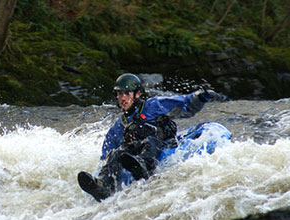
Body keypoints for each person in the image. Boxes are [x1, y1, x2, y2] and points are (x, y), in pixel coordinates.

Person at [78, 73, 225, 202]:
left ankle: (143, 165)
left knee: (149, 140)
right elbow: (106, 155)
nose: (122, 98)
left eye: (127, 93)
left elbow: (185, 105)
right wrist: (102, 172)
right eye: (119, 94)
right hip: (134, 154)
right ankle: (105, 187)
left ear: (137, 94)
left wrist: (201, 97)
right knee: (116, 153)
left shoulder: (153, 106)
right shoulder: (118, 127)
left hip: (159, 146)